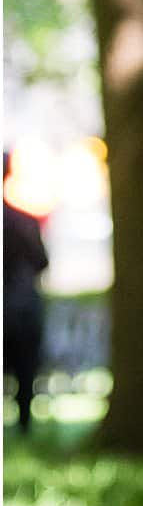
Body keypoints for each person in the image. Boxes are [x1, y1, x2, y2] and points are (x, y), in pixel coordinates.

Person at [4, 151, 49, 435]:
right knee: (24, 371)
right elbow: (42, 262)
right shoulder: (24, 221)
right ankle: (24, 427)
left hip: (15, 306)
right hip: (21, 307)